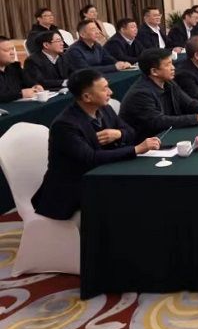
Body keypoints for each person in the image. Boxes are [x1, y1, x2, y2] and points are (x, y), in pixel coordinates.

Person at [30, 68, 160, 220]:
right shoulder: (65, 125)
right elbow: (91, 158)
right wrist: (136, 149)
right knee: (133, 196)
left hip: (103, 174)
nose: (110, 92)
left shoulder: (105, 109)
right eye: (104, 89)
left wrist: (119, 134)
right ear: (87, 97)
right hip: (71, 189)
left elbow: (130, 131)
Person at [120, 49, 198, 140]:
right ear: (154, 71)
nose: (173, 68)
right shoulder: (140, 94)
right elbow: (159, 121)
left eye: (172, 63)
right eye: (168, 65)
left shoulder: (169, 83)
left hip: (168, 133)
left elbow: (188, 103)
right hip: (149, 141)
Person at [65, 20, 132, 74]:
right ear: (82, 34)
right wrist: (114, 67)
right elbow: (86, 70)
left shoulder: (97, 46)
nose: (97, 32)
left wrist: (121, 64)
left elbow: (108, 59)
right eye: (93, 30)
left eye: (97, 29)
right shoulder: (74, 50)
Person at [0, 36, 43, 101]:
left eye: (12, 49)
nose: (12, 53)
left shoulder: (14, 67)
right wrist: (20, 94)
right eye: (7, 50)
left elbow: (28, 82)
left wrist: (35, 86)